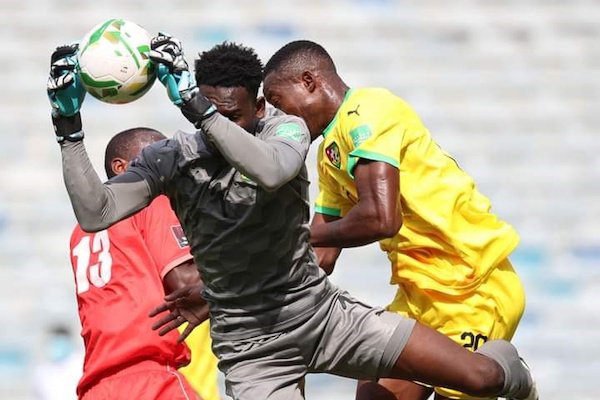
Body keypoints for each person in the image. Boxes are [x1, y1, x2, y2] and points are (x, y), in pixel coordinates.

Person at [47, 37, 536, 400]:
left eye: (233, 117)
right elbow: (96, 212)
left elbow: (273, 169)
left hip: (322, 316)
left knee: (482, 379)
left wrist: (202, 113)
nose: (222, 130)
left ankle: (515, 376)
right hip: (252, 352)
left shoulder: (286, 129)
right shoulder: (175, 156)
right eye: (211, 118)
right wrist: (68, 130)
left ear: (258, 108)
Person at [262, 40, 533, 400]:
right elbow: (322, 253)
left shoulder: (369, 111)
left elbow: (381, 219)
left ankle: (510, 375)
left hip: (471, 286)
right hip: (417, 295)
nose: (281, 119)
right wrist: (235, 292)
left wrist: (294, 236)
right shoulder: (328, 156)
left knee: (474, 382)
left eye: (279, 103)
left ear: (309, 80)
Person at [67, 126, 219, 400]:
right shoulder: (151, 201)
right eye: (157, 156)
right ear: (120, 167)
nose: (169, 166)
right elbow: (186, 282)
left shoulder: (80, 230)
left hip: (97, 386)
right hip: (151, 380)